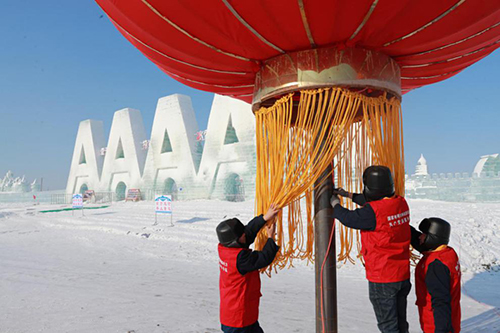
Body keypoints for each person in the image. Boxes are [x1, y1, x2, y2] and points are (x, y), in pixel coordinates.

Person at [331, 165, 411, 333]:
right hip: (401, 275)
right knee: (400, 323)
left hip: (383, 278)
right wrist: (349, 195)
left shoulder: (373, 213)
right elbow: (375, 204)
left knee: (388, 326)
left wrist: (335, 205)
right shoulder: (400, 203)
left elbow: (348, 218)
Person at [216, 204, 281, 333]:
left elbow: (248, 232)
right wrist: (270, 238)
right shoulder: (240, 259)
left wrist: (264, 218)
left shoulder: (226, 248)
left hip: (238, 314)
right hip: (238, 319)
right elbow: (263, 258)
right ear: (235, 241)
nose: (245, 235)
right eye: (242, 235)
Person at [411, 218, 461, 333]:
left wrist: (441, 330)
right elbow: (417, 239)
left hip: (436, 325)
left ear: (432, 238)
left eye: (424, 235)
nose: (420, 237)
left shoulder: (436, 265)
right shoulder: (447, 253)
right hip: (449, 322)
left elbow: (440, 301)